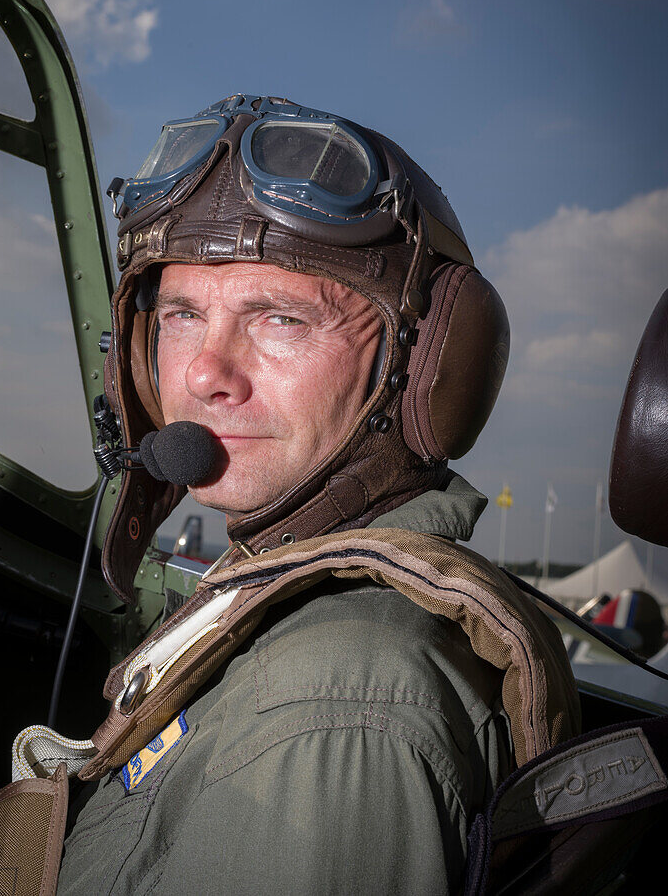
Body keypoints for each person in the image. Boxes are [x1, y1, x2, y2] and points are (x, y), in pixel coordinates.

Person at [51, 94, 580, 894]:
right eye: (183, 315)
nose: (202, 374)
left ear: (423, 370)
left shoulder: (329, 705)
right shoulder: (280, 596)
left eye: (280, 319)